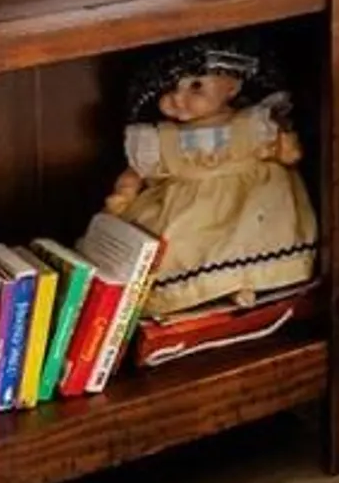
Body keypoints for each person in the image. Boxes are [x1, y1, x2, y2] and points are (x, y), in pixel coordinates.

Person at [109, 42, 319, 315]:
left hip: (247, 197)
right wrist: (124, 195)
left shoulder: (253, 123)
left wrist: (286, 147)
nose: (179, 97)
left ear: (232, 87)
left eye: (196, 87)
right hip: (187, 205)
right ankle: (202, 292)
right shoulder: (158, 138)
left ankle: (247, 281)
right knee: (176, 243)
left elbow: (283, 148)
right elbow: (136, 171)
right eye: (170, 89)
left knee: (257, 226)